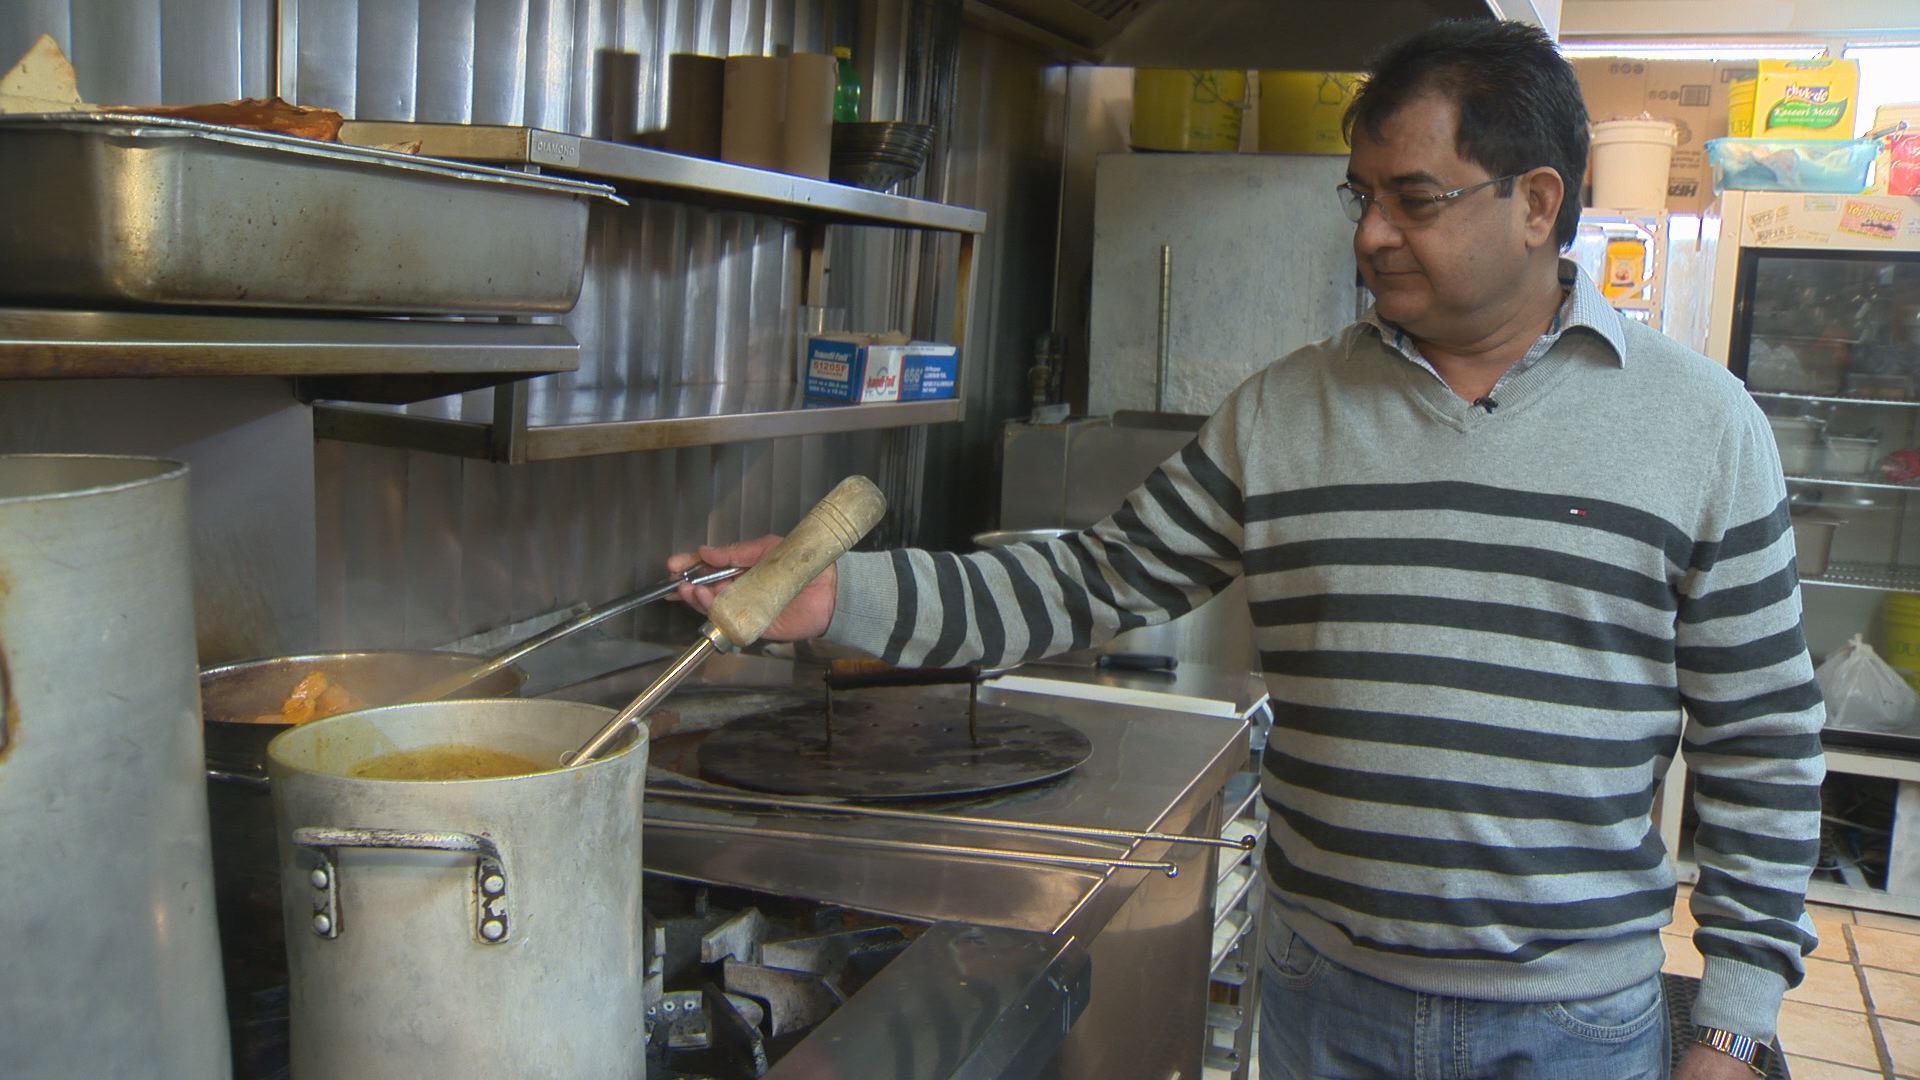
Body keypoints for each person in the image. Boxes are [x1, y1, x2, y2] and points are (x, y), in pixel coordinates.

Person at [672, 19, 1823, 1080]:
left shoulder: (1699, 426)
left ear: (1537, 202)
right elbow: (1089, 578)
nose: (1370, 234)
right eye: (1361, 195)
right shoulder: (1285, 412)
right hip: (1327, 1001)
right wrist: (838, 594)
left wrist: (1732, 1023)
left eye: (1414, 199)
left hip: (1574, 1021)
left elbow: (1763, 740)